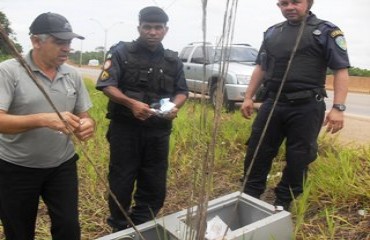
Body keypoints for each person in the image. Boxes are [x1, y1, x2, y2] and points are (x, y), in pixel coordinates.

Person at [240, 0, 349, 211]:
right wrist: (248, 97)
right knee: (258, 150)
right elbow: (261, 67)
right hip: (272, 104)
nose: (289, 7)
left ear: (308, 3)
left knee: (299, 157)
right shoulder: (272, 33)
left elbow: (341, 70)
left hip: (306, 106)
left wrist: (338, 107)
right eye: (283, 3)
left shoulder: (327, 31)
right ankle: (249, 196)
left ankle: (283, 203)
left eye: (295, 2)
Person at [0, 12, 95, 240]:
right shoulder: (8, 71)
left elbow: (85, 114)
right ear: (36, 41)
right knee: (19, 232)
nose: (67, 48)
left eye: (69, 42)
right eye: (59, 42)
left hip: (61, 165)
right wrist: (43, 119)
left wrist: (87, 124)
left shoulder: (72, 74)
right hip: (15, 168)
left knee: (69, 227)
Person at [96, 6, 188, 231]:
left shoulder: (173, 60)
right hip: (125, 129)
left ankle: (142, 225)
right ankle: (119, 227)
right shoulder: (121, 52)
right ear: (139, 28)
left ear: (166, 30)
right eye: (147, 27)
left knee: (155, 183)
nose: (152, 32)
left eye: (158, 28)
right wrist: (131, 103)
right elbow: (107, 84)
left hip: (158, 131)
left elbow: (182, 91)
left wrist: (174, 106)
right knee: (122, 180)